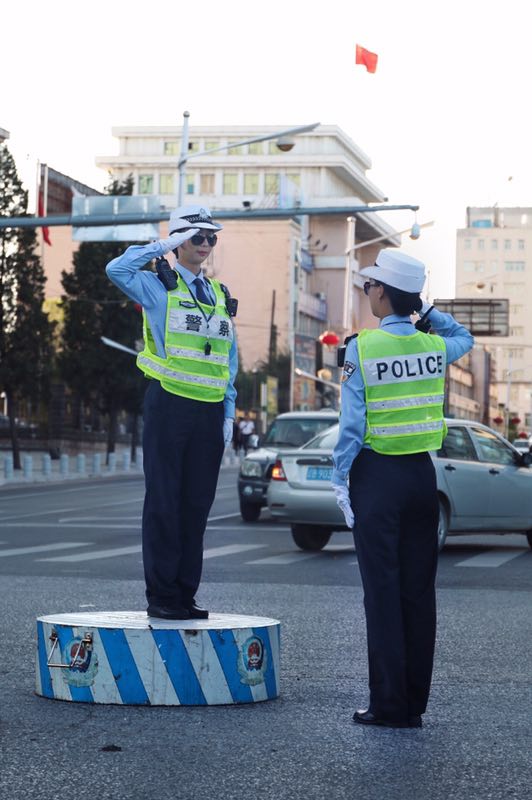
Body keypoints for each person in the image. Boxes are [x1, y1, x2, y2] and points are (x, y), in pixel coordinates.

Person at [332, 249, 474, 729]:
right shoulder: (434, 347)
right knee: (417, 592)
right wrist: (425, 309)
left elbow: (352, 426)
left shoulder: (362, 348)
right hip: (421, 478)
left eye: (370, 284)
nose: (367, 291)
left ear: (383, 292)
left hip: (377, 478)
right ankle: (412, 704)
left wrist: (339, 478)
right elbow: (465, 337)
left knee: (382, 592)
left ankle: (388, 705)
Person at [106, 205, 237, 620]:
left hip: (209, 412)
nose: (206, 244)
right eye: (197, 237)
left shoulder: (219, 294)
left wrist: (229, 411)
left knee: (196, 507)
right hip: (169, 404)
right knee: (165, 502)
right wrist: (160, 246)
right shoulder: (157, 285)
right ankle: (162, 596)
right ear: (179, 240)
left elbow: (229, 360)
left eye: (211, 237)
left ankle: (184, 595)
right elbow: (116, 270)